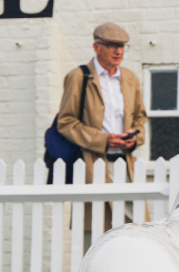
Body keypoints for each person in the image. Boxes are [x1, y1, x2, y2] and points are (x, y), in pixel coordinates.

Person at [56, 22, 147, 228]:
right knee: (97, 230)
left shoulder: (130, 78)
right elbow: (66, 121)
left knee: (135, 229)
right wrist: (104, 140)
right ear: (96, 47)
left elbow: (140, 118)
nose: (118, 51)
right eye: (111, 45)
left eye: (122, 46)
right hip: (93, 165)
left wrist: (135, 137)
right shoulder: (79, 77)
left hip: (127, 164)